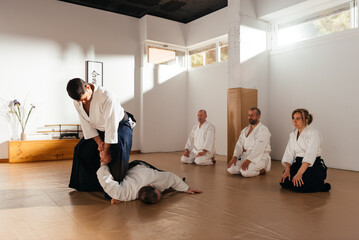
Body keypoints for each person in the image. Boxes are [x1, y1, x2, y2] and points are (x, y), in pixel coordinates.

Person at [66, 78, 135, 192]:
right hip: (99, 129)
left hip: (120, 125)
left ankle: (116, 191)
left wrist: (106, 152)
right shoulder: (77, 101)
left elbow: (111, 127)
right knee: (81, 149)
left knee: (119, 149)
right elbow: (86, 125)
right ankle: (92, 185)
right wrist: (99, 143)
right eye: (79, 101)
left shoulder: (107, 97)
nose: (82, 103)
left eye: (84, 99)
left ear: (88, 87)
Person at [97, 158, 203, 204]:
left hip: (137, 169)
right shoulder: (127, 194)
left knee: (163, 176)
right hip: (135, 169)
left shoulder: (125, 194)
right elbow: (106, 182)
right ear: (150, 185)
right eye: (159, 191)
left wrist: (186, 188)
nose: (160, 191)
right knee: (163, 178)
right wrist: (103, 164)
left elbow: (107, 183)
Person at [280, 108, 331, 192]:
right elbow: (288, 153)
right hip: (298, 163)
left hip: (312, 165)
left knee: (299, 186)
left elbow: (310, 155)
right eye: (293, 118)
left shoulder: (313, 133)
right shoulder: (293, 134)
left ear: (306, 120)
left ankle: (321, 185)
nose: (294, 121)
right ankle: (307, 181)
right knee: (284, 182)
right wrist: (287, 170)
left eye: (298, 118)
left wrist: (299, 174)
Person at [227, 107, 271, 177]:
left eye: (252, 115)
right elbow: (239, 144)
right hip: (247, 155)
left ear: (258, 116)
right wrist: (234, 157)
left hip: (260, 157)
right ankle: (247, 168)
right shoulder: (245, 130)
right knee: (230, 169)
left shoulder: (263, 130)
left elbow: (259, 148)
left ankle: (261, 169)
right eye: (249, 115)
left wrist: (248, 160)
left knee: (245, 172)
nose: (250, 117)